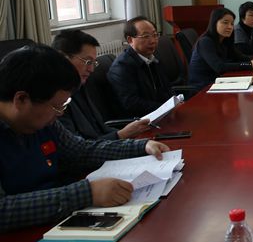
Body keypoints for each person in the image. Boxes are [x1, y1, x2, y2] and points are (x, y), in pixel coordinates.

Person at [0, 45, 170, 232]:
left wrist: (140, 146)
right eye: (57, 106)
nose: (60, 114)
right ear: (21, 100)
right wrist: (86, 193)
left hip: (57, 222)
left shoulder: (43, 121)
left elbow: (81, 151)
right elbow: (4, 209)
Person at [52, 30, 150, 140]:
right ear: (64, 58)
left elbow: (101, 129)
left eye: (93, 63)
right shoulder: (54, 98)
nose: (91, 69)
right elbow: (78, 147)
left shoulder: (80, 85)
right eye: (88, 62)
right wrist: (121, 135)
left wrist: (129, 137)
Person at [108, 16, 174, 117]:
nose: (153, 41)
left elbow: (166, 88)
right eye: (146, 36)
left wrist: (175, 103)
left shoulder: (153, 59)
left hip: (160, 114)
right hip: (140, 120)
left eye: (155, 35)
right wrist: (165, 108)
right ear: (130, 40)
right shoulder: (121, 67)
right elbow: (132, 104)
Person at [188, 7, 253, 88]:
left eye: (232, 24)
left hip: (218, 81)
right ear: (214, 23)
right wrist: (250, 65)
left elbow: (239, 56)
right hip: (203, 87)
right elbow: (219, 67)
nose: (230, 27)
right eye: (225, 23)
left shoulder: (225, 40)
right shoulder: (205, 42)